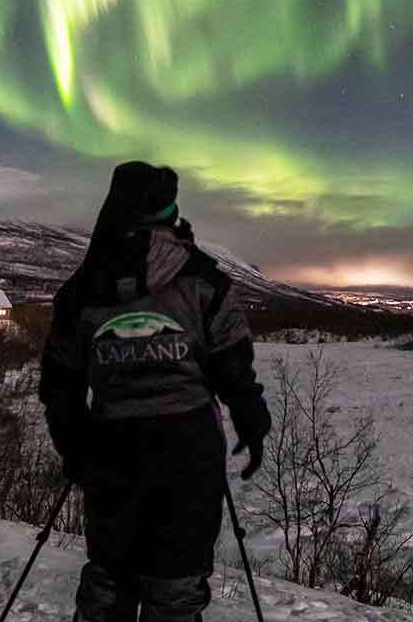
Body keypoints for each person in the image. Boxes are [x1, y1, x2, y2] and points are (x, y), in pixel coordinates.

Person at [40, 161, 272, 621]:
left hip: (110, 454)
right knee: (176, 586)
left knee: (110, 578)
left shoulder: (81, 292)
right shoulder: (205, 282)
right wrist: (251, 419)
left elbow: (60, 386)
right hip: (188, 454)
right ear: (172, 213)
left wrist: (75, 447)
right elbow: (233, 366)